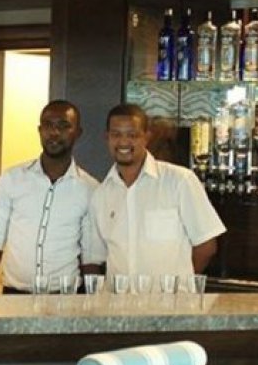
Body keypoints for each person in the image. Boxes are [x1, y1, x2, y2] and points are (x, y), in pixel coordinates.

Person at [84, 103, 225, 281]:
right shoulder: (101, 195)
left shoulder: (179, 181)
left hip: (170, 298)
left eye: (132, 135)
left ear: (146, 137)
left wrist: (179, 286)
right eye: (116, 134)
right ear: (107, 138)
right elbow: (94, 257)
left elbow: (206, 246)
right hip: (119, 298)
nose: (123, 142)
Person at [0, 100, 99, 294]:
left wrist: (93, 302)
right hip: (14, 297)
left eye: (63, 126)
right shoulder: (12, 179)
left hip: (65, 300)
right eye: (48, 125)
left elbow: (90, 256)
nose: (54, 132)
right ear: (40, 130)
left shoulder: (90, 189)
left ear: (78, 133)